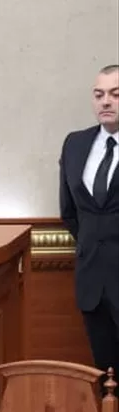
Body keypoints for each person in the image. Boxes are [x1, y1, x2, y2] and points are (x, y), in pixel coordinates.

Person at [59, 64, 119, 376]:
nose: (106, 101)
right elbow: (69, 212)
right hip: (92, 281)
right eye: (99, 95)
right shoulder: (75, 144)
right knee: (106, 377)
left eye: (115, 94)